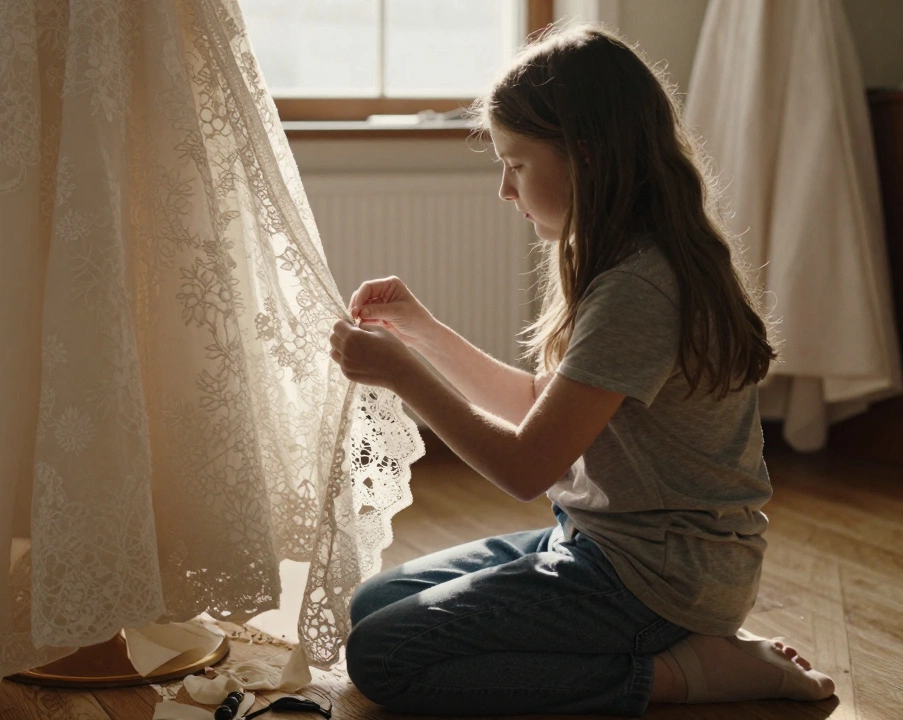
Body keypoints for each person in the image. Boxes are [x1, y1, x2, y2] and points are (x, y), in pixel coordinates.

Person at [327, 23, 836, 717]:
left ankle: (686, 671)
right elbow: (541, 407)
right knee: (374, 604)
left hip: (657, 576)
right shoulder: (616, 260)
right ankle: (666, 645)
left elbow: (527, 466)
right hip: (598, 541)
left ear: (585, 159)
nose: (505, 190)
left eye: (517, 162)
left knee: (382, 655)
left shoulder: (639, 287)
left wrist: (404, 377)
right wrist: (422, 333)